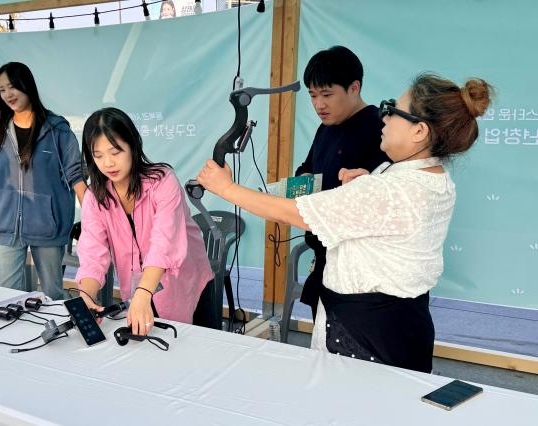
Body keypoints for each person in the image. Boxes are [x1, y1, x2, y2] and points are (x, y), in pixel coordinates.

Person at [198, 73, 492, 373]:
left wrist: (226, 189)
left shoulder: (389, 189)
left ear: (419, 131)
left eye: (392, 110)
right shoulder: (433, 178)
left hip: (364, 334)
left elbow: (298, 214)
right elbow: (392, 215)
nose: (385, 118)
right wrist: (366, 184)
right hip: (403, 323)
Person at [75, 107, 214, 336]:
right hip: (140, 291)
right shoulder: (95, 198)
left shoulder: (162, 181)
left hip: (186, 282)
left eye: (115, 152)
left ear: (132, 145)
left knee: (197, 352)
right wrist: (86, 297)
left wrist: (143, 292)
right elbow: (92, 252)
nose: (108, 163)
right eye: (98, 155)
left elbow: (164, 243)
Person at [0, 62, 85, 300]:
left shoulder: (57, 130)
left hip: (48, 227)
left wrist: (93, 221)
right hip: (7, 228)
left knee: (53, 294)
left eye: (12, 87)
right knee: (6, 296)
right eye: (2, 90)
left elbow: (76, 176)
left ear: (26, 85)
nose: (8, 94)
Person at [296, 46, 390, 321]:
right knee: (323, 342)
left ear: (354, 87)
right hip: (324, 254)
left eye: (327, 95)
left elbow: (383, 195)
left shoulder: (380, 129)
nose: (318, 105)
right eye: (313, 96)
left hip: (361, 266)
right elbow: (308, 168)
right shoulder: (325, 128)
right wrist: (301, 181)